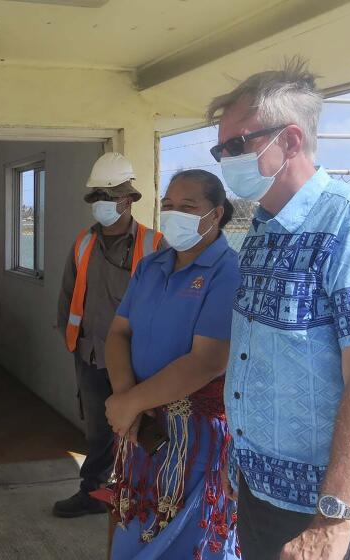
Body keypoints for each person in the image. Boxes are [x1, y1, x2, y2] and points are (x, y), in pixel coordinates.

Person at [209, 59, 350, 560]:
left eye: (236, 145)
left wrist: (333, 518)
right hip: (261, 488)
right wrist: (242, 467)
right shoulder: (261, 229)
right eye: (219, 148)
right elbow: (257, 355)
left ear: (290, 141)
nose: (224, 159)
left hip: (327, 506)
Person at [103, 169, 241, 559]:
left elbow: (208, 360)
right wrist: (125, 398)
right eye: (168, 206)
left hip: (193, 440)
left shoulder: (228, 272)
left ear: (215, 214)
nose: (174, 214)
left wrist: (129, 405)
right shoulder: (151, 266)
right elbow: (118, 333)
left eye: (187, 206)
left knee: (189, 539)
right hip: (141, 430)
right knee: (134, 524)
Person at [55, 152, 166, 518]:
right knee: (98, 431)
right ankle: (94, 492)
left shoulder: (156, 246)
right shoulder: (83, 243)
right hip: (89, 353)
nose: (100, 205)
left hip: (139, 359)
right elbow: (69, 296)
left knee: (143, 427)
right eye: (96, 198)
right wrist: (72, 340)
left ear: (127, 199)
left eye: (108, 196)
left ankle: (143, 496)